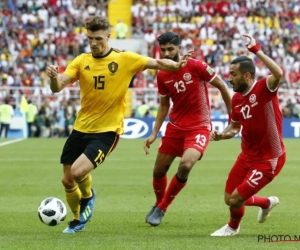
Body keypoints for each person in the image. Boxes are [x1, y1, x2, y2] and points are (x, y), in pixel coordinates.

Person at [45, 16, 191, 234]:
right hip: (81, 127)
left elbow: (158, 63)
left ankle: (87, 198)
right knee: (67, 180)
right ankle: (77, 218)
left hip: (107, 131)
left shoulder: (124, 59)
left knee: (76, 172)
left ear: (108, 37)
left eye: (98, 38)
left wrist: (176, 65)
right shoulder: (80, 61)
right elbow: (58, 87)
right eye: (90, 38)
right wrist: (53, 78)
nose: (93, 43)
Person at [143, 32, 232, 227]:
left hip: (199, 127)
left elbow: (223, 87)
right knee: (159, 171)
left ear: (179, 49)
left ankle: (163, 207)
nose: (166, 53)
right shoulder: (162, 73)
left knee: (185, 165)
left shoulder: (197, 66)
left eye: (170, 49)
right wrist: (153, 132)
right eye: (163, 49)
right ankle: (159, 204)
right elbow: (164, 104)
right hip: (175, 127)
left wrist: (233, 119)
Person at [210, 34, 286, 236]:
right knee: (229, 198)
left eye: (233, 74)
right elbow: (235, 128)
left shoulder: (264, 88)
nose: (229, 78)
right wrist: (222, 135)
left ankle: (232, 228)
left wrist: (256, 50)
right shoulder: (236, 99)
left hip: (269, 158)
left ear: (247, 76)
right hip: (246, 156)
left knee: (235, 200)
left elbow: (278, 73)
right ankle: (266, 202)